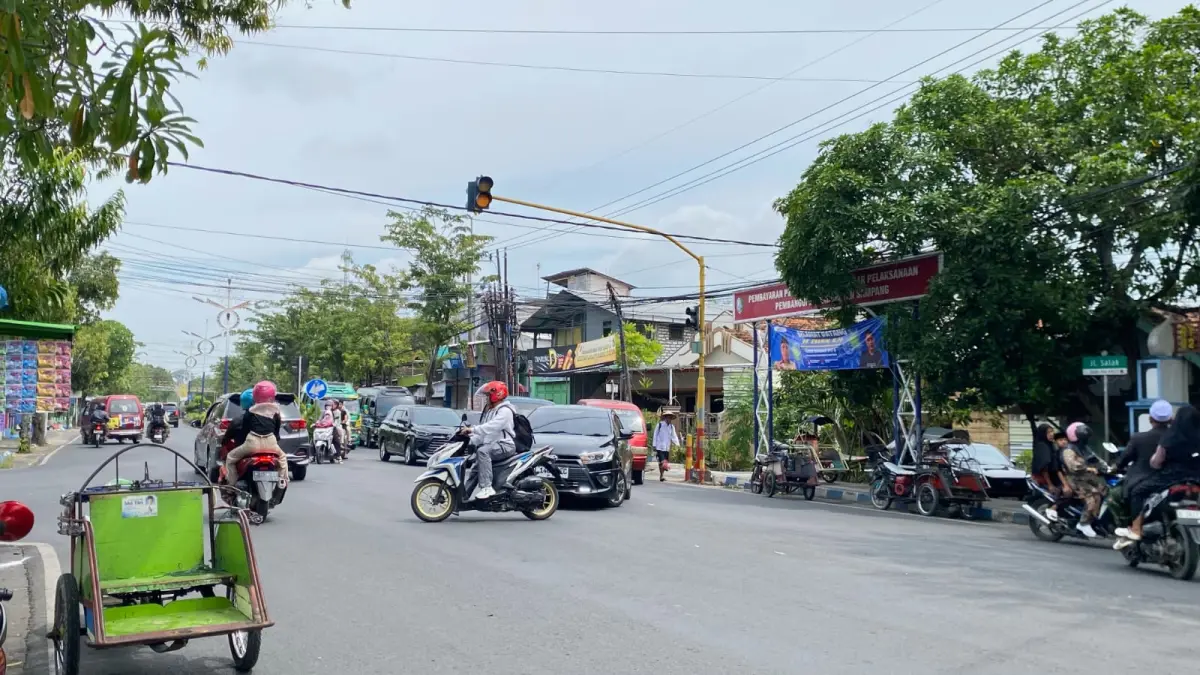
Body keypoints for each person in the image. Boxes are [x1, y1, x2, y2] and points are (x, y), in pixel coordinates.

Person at [1117, 404, 1200, 544]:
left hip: (1171, 478)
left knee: (1138, 491)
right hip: (1196, 479)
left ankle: (1136, 529)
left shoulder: (1170, 437)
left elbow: (1156, 462)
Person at [223, 381, 289, 486]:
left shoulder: (250, 412)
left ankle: (232, 485)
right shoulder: (276, 412)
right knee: (282, 458)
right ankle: (282, 480)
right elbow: (276, 432)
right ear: (272, 396)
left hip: (252, 443)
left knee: (230, 458)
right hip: (271, 443)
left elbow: (245, 430)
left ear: (255, 396)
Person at [463, 380, 516, 501]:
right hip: (493, 445)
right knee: (475, 469)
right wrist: (469, 439)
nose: (486, 399)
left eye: (488, 396)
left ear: (496, 395)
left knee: (482, 452)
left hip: (505, 445)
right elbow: (484, 434)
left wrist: (473, 429)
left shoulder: (505, 411)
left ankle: (487, 488)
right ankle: (462, 498)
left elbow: (492, 426)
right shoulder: (491, 411)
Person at [1059, 422, 1106, 538]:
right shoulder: (1068, 450)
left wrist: (1106, 466)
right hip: (1074, 479)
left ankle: (1097, 519)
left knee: (1105, 490)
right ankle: (1083, 523)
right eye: (1083, 438)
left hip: (1087, 478)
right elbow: (1073, 466)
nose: (1085, 440)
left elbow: (1096, 459)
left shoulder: (1084, 448)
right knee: (1094, 496)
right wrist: (1088, 468)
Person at [652, 411, 681, 482]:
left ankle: (661, 475)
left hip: (666, 447)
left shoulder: (671, 427)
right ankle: (664, 469)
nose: (669, 419)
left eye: (670, 417)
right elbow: (655, 435)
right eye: (668, 417)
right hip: (659, 446)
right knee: (663, 462)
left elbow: (674, 437)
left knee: (662, 462)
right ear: (665, 417)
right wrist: (654, 445)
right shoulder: (659, 425)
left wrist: (678, 445)